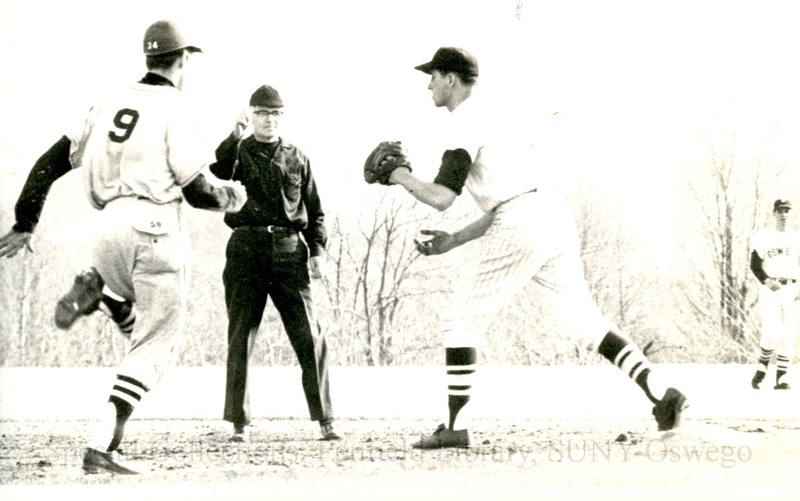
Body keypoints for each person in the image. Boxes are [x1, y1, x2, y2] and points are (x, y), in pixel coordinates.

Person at [381, 47, 688, 449]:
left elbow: (442, 198)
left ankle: (456, 427)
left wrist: (400, 176)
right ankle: (663, 393)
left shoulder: (463, 123)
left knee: (460, 320)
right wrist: (454, 240)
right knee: (584, 322)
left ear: (452, 79)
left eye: (434, 75)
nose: (429, 83)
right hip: (552, 215)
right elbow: (508, 200)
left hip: (522, 218)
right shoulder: (501, 118)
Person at [0, 19, 247, 473]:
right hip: (154, 229)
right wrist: (232, 195)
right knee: (156, 347)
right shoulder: (177, 107)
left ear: (148, 58)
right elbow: (198, 192)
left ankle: (107, 293)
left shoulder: (108, 103)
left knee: (139, 331)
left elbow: (51, 160)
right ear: (184, 59)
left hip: (105, 231)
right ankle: (102, 446)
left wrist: (24, 221)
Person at [208, 84, 340, 442]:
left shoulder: (297, 156)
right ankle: (241, 423)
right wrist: (234, 132)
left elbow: (316, 211)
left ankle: (326, 420)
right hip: (246, 247)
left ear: (283, 117)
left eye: (275, 114)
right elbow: (218, 169)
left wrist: (318, 252)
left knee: (309, 335)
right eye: (262, 113)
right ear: (251, 115)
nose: (269, 120)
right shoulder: (238, 152)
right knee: (241, 334)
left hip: (288, 249)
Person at [749, 199, 800, 390]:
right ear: (774, 213)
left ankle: (782, 376)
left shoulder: (797, 237)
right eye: (780, 210)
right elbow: (754, 264)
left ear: (791, 213)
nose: (783, 214)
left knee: (789, 334)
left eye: (787, 210)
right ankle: (762, 367)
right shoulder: (764, 237)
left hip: (793, 288)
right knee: (771, 332)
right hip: (771, 288)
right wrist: (767, 281)